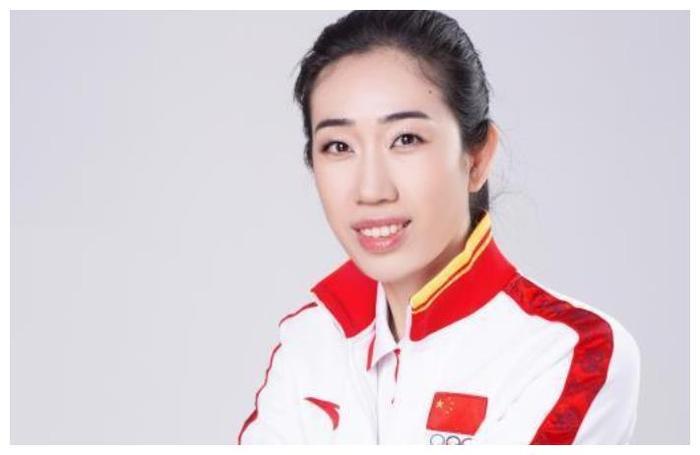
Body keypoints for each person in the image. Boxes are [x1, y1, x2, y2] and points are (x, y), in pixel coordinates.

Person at [237, 10, 641, 445]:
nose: (371, 189)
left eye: (406, 139)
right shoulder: (308, 342)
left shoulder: (570, 351)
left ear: (477, 157)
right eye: (338, 146)